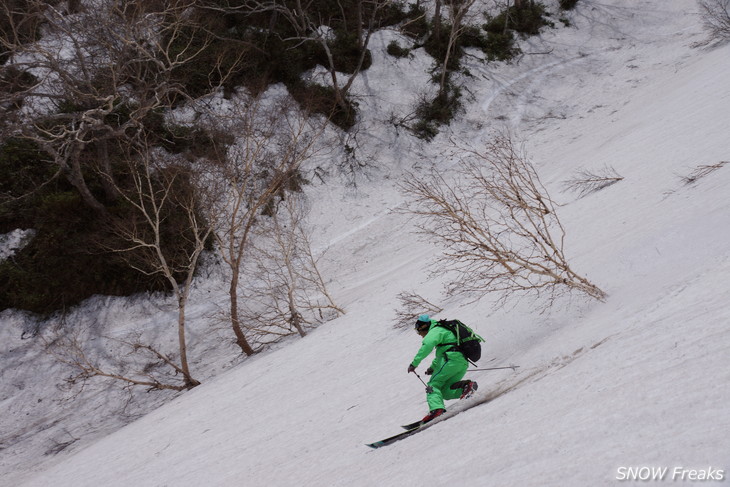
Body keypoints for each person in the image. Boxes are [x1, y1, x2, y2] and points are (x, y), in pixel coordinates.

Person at [407, 314, 478, 423]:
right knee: (444, 391)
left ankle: (436, 410)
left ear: (423, 327)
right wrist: (432, 367)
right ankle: (466, 387)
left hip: (451, 361)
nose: (420, 335)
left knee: (433, 385)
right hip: (461, 362)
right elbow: (442, 353)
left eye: (419, 332)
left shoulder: (435, 330)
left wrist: (414, 364)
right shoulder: (442, 330)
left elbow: (427, 346)